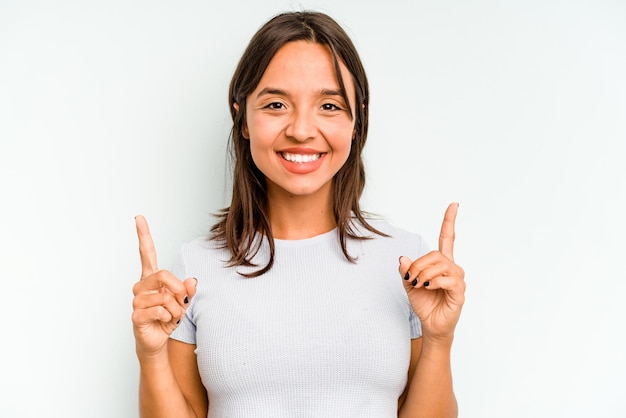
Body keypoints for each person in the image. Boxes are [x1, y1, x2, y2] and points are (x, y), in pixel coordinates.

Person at [131, 10, 465, 418]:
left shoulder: (407, 262)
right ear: (243, 118)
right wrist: (151, 355)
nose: (302, 130)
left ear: (357, 119)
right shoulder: (195, 267)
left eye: (329, 105)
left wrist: (438, 340)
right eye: (276, 104)